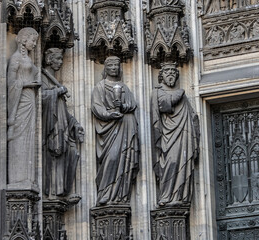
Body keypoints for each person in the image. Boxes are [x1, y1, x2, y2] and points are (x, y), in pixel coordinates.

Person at [91, 56, 140, 206]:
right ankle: (106, 193)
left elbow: (132, 104)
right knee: (111, 158)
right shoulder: (100, 86)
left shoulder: (124, 87)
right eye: (110, 65)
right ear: (105, 68)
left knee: (125, 159)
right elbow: (96, 107)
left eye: (116, 65)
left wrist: (123, 107)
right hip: (110, 127)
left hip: (126, 126)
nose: (113, 68)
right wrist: (109, 114)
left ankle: (120, 194)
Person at [152, 62, 200, 207]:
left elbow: (192, 116)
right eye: (167, 73)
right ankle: (167, 195)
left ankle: (180, 195)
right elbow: (165, 105)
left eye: (173, 72)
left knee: (183, 163)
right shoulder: (158, 92)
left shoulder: (183, 96)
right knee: (171, 162)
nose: (171, 75)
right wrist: (178, 94)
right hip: (168, 137)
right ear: (161, 77)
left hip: (184, 137)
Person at [42, 48, 84, 198]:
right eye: (57, 59)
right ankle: (51, 192)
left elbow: (63, 111)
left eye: (61, 59)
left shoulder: (53, 80)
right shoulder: (42, 77)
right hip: (51, 127)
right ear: (49, 59)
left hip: (62, 126)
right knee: (53, 152)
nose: (60, 62)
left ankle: (60, 190)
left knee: (72, 152)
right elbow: (38, 98)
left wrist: (75, 124)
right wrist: (56, 92)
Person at [7, 27, 41, 186]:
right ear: (23, 39)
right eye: (32, 40)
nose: (34, 44)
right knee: (19, 136)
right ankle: (18, 177)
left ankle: (27, 175)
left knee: (29, 136)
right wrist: (28, 84)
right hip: (21, 100)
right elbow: (11, 83)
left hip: (30, 100)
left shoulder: (29, 59)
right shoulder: (15, 58)